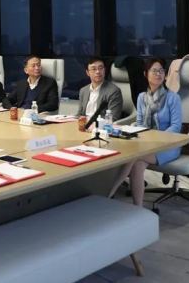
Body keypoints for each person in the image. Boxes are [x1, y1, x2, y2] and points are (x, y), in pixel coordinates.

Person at [109, 57, 182, 206]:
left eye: (161, 71)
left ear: (165, 75)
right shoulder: (142, 97)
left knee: (132, 157)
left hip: (168, 146)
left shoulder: (173, 98)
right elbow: (141, 124)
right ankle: (138, 207)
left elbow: (176, 126)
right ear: (145, 74)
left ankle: (109, 193)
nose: (158, 74)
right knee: (137, 165)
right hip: (147, 144)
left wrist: (155, 139)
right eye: (154, 71)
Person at [76, 56, 123, 121]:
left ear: (104, 70)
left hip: (100, 125)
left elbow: (113, 118)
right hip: (84, 124)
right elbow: (79, 114)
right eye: (94, 69)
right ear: (87, 73)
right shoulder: (83, 91)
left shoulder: (113, 91)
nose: (98, 71)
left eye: (100, 68)